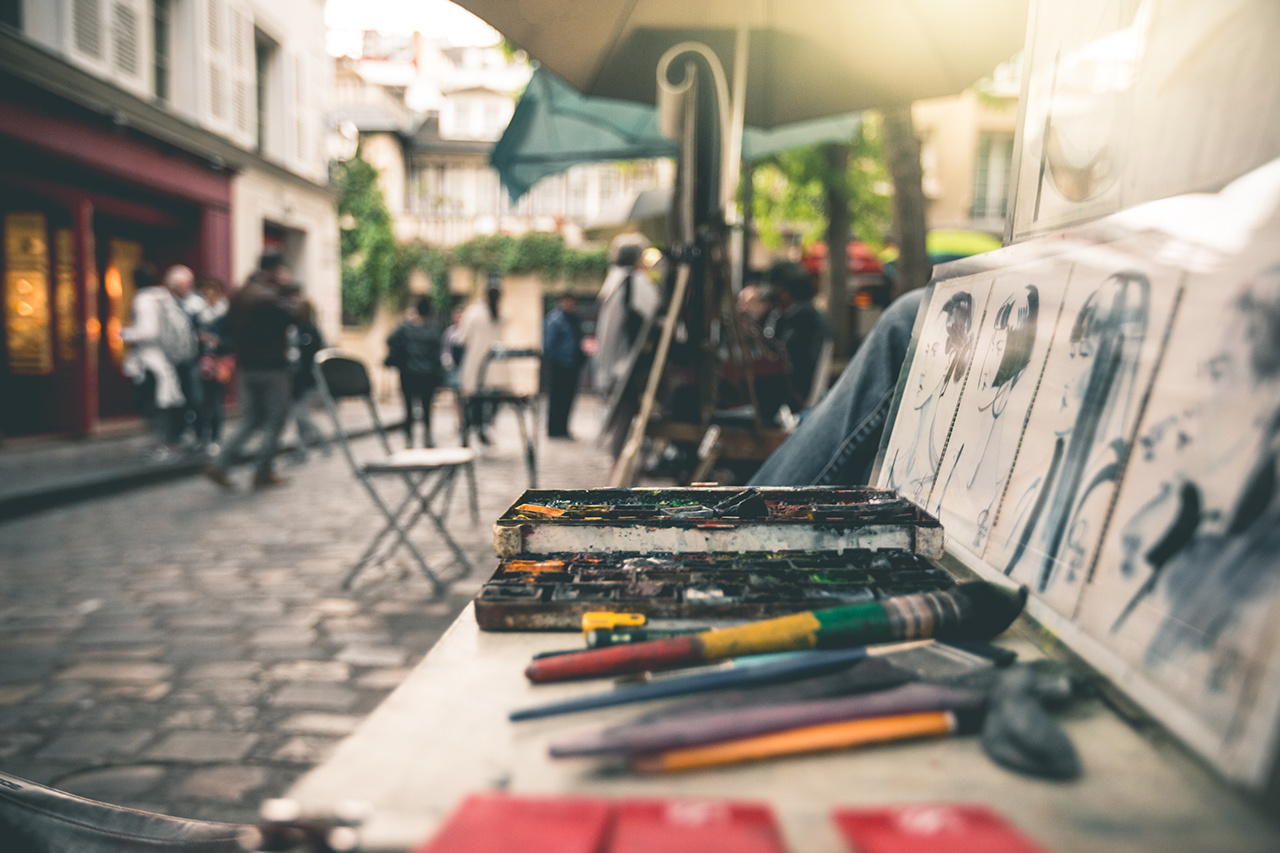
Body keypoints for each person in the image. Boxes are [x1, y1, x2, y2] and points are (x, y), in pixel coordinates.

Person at [750, 287, 925, 487]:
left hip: (798, 396)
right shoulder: (798, 317)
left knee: (908, 316)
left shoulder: (800, 319)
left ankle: (752, 506)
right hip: (802, 398)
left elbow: (792, 366)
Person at [204, 251, 301, 489]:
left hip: (245, 367)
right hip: (272, 368)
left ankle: (221, 464)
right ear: (276, 270)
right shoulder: (269, 296)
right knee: (276, 420)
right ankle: (263, 470)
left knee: (251, 419)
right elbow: (297, 314)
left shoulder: (240, 293)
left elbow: (225, 325)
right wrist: (286, 288)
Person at [122, 262, 199, 460]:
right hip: (168, 360)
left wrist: (125, 333)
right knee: (165, 401)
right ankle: (171, 440)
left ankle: (162, 443)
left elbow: (148, 331)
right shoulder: (163, 297)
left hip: (151, 361)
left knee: (151, 403)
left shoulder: (144, 299)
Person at [766, 261, 832, 410]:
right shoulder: (783, 317)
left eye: (778, 292)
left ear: (788, 291)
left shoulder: (810, 321)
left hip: (800, 404)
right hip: (791, 402)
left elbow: (810, 368)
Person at [386, 296, 445, 448]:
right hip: (428, 375)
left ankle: (409, 440)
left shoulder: (406, 327)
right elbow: (438, 352)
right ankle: (427, 437)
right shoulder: (434, 329)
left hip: (409, 374)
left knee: (408, 408)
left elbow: (390, 340)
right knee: (427, 408)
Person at [458, 277, 504, 446]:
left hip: (477, 364)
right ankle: (483, 428)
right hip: (494, 366)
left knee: (474, 399)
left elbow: (462, 337)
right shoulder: (500, 314)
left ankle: (473, 429)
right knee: (491, 399)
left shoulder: (475, 312)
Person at [195, 276, 234, 456]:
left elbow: (232, 341)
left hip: (219, 363)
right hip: (200, 361)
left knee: (216, 401)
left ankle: (215, 438)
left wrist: (217, 342)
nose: (208, 297)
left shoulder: (225, 316)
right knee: (200, 401)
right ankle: (201, 437)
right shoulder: (197, 314)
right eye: (205, 293)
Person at [287, 294, 327, 461]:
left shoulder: (311, 331)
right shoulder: (293, 329)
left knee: (300, 414)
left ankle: (323, 439)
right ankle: (301, 449)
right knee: (298, 416)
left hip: (307, 380)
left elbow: (312, 357)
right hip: (295, 379)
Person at [542, 292, 586, 439]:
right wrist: (556, 360)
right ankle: (554, 429)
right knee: (556, 398)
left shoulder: (575, 319)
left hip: (572, 365)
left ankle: (563, 428)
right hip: (559, 366)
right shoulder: (555, 319)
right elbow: (549, 344)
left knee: (568, 398)